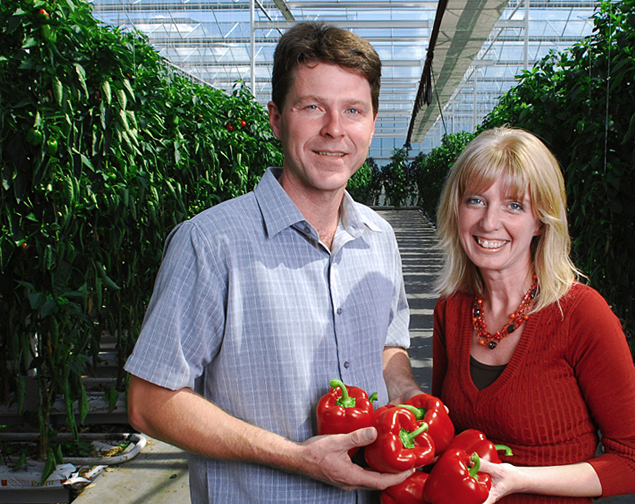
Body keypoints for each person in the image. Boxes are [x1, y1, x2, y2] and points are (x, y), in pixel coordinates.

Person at [126, 22, 424, 504]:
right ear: (276, 118)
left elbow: (387, 343)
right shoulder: (210, 243)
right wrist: (294, 456)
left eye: (353, 110)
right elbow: (149, 402)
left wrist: (405, 389)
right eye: (312, 107)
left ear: (371, 125)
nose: (334, 128)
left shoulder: (379, 238)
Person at [431, 126, 635, 503]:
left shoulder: (581, 315)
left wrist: (519, 480)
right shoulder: (451, 310)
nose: (489, 222)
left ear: (541, 222)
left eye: (514, 205)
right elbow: (445, 438)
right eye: (475, 200)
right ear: (455, 210)